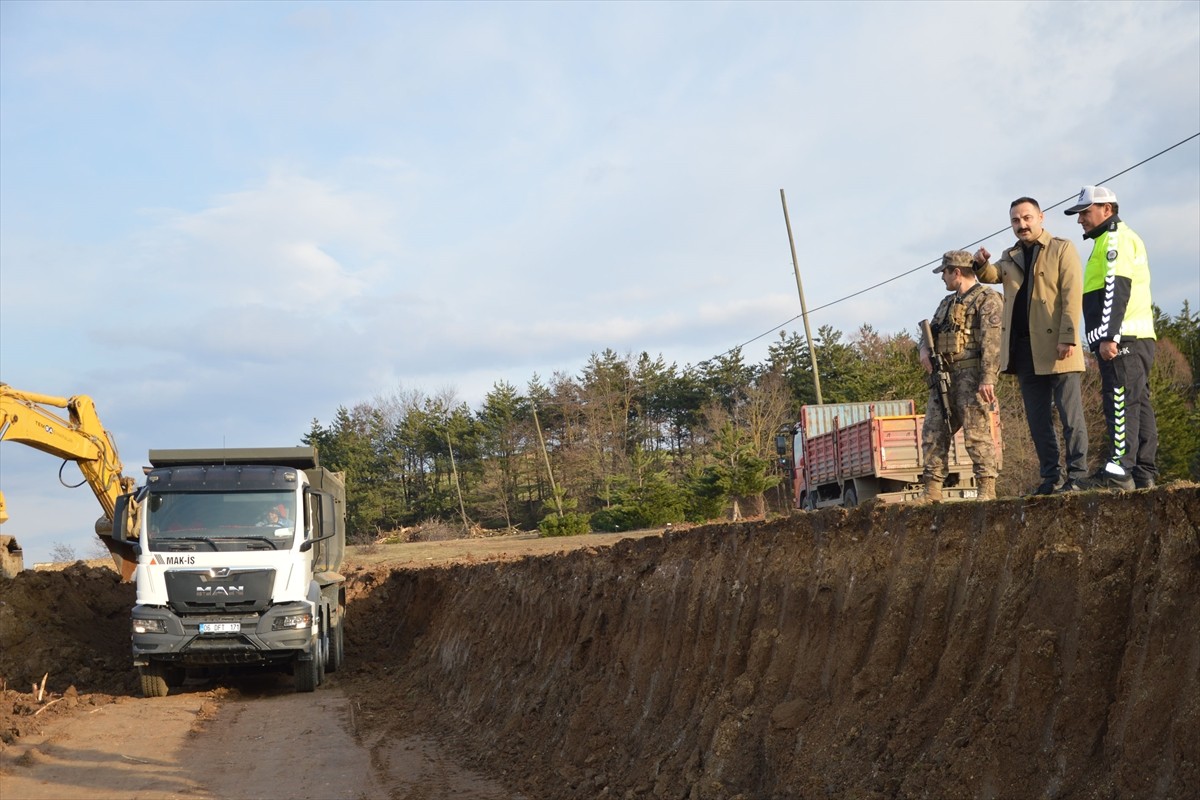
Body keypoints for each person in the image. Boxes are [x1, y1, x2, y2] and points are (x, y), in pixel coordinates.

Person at [974, 197, 1088, 494]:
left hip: (1058, 345)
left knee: (1070, 415)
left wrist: (1067, 336)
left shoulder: (1062, 248)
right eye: (1015, 220)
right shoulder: (1010, 255)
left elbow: (1072, 295)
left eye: (1027, 218)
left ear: (1041, 217)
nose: (1021, 224)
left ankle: (1078, 476)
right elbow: (992, 275)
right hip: (1023, 350)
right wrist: (981, 263)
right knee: (1038, 420)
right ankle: (1051, 478)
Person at [1065, 185, 1158, 491]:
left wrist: (1109, 336)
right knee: (1137, 402)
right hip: (1135, 336)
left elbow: (1117, 289)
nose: (1080, 219)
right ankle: (1142, 471)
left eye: (1085, 212)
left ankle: (1119, 470)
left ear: (1107, 209)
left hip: (1123, 338)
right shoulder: (1114, 238)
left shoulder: (1115, 239)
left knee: (1119, 400)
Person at [919, 251, 1004, 501]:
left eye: (944, 272)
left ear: (957, 272)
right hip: (945, 376)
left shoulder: (987, 298)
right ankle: (932, 490)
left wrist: (988, 378)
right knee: (933, 431)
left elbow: (992, 342)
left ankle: (986, 489)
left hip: (972, 375)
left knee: (976, 433)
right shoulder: (946, 303)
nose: (942, 278)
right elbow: (930, 333)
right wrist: (923, 349)